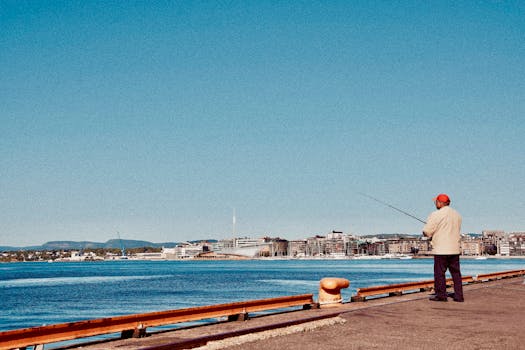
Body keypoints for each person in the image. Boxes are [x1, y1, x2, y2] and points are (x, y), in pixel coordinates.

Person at [422, 193, 464, 302]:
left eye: (436, 202)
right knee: (456, 274)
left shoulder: (436, 214)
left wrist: (426, 233)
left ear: (440, 203)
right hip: (454, 248)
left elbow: (427, 231)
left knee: (440, 273)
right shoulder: (457, 215)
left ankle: (441, 296)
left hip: (441, 249)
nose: (435, 203)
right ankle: (459, 296)